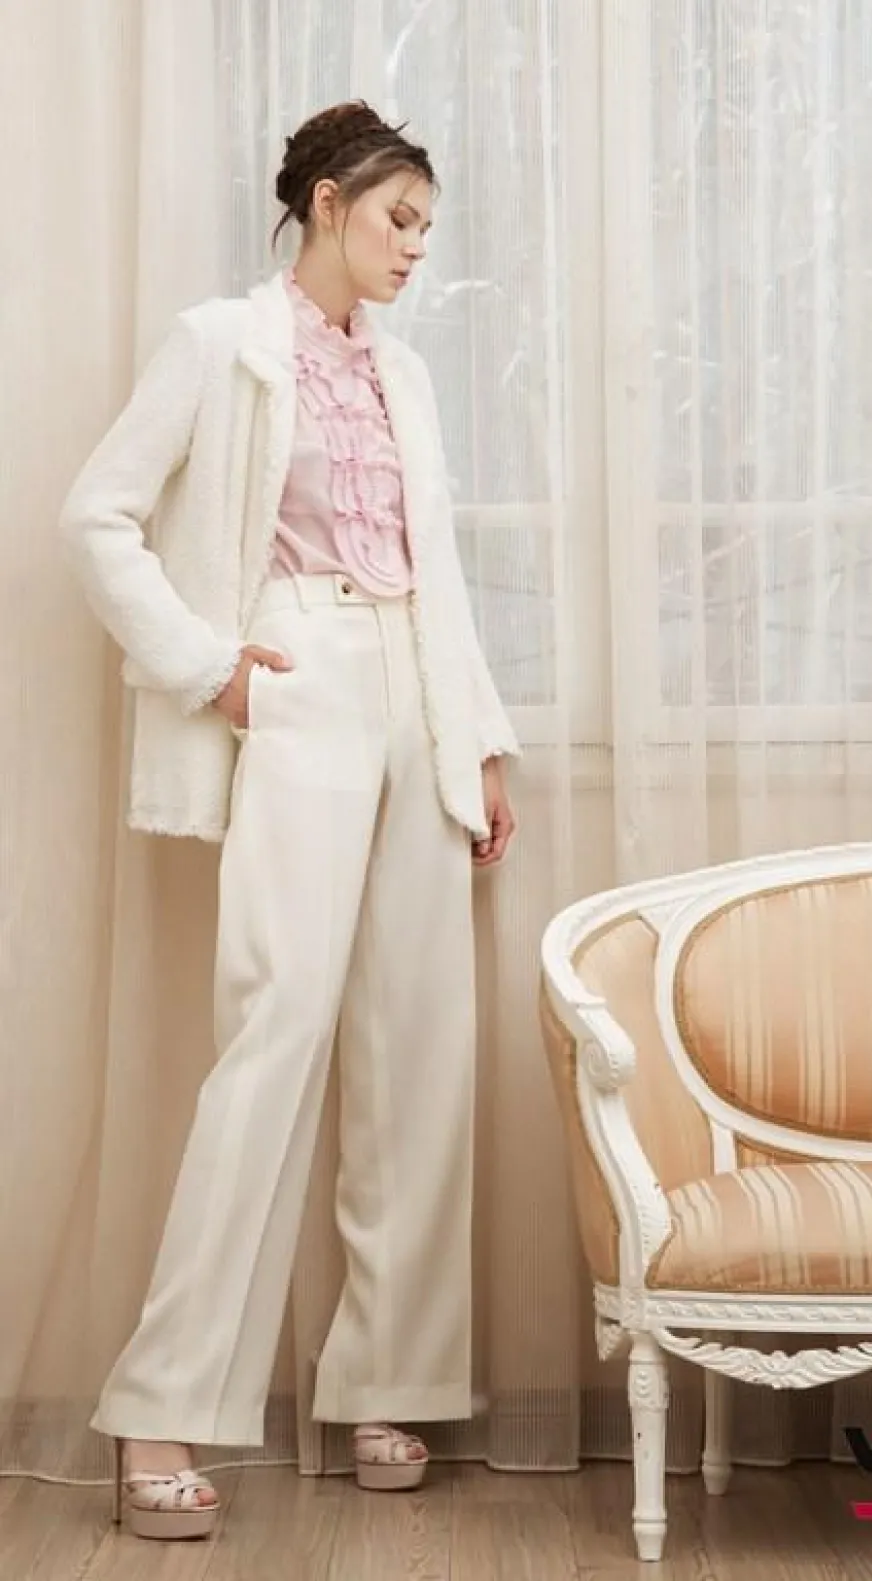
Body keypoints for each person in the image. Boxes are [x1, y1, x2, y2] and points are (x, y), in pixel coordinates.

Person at [60, 100, 518, 1542]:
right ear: (326, 203)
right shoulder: (220, 343)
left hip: (418, 694)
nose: (414, 249)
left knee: (418, 1043)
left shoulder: (406, 374)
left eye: (427, 230)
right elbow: (97, 518)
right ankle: (160, 1411)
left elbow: (435, 570)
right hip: (298, 674)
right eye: (397, 219)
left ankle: (386, 1383)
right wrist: (212, 672)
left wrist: (478, 740)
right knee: (277, 1035)